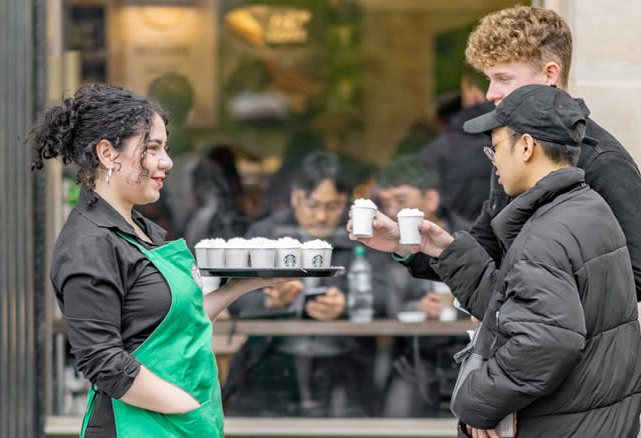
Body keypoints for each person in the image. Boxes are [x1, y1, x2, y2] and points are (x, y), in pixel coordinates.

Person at [350, 84, 641, 437]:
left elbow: (545, 342)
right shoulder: (586, 209)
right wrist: (440, 248)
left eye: (496, 147)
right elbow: (519, 307)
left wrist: (476, 402)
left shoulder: (547, 231)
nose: (493, 160)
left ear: (526, 146)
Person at [28, 84, 289, 437]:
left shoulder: (143, 229)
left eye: (165, 148)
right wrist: (187, 408)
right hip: (136, 426)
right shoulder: (89, 243)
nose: (166, 161)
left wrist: (243, 285)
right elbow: (103, 362)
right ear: (108, 153)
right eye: (152, 149)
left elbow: (173, 321)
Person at [403, 5, 641, 302]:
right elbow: (488, 247)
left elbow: (636, 279)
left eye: (503, 78)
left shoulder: (605, 161)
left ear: (550, 74)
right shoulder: (510, 151)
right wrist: (408, 246)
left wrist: (519, 303)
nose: (490, 93)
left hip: (572, 347)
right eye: (489, 79)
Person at [224, 151, 391, 418]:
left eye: (333, 206)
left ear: (345, 203)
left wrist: (347, 304)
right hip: (272, 359)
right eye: (313, 205)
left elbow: (387, 293)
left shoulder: (363, 236)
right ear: (295, 197)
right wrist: (271, 301)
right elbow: (233, 296)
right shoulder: (265, 234)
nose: (322, 217)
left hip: (345, 363)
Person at [373, 155, 468, 418]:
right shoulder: (380, 245)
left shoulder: (468, 238)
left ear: (431, 200)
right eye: (385, 203)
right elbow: (376, 298)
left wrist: (456, 305)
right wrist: (416, 307)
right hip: (408, 365)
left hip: (466, 363)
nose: (391, 211)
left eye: (401, 201)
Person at [417, 70, 494, 231]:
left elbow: (434, 200)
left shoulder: (434, 151)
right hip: (494, 231)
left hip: (453, 233)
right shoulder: (497, 144)